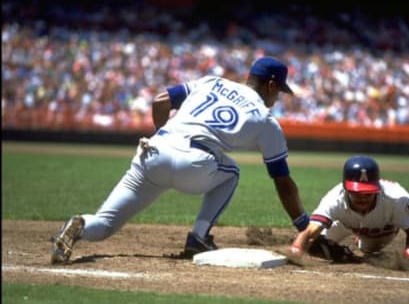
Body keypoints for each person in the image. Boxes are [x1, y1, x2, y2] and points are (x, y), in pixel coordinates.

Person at [51, 56, 310, 264]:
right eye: (279, 92)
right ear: (271, 85)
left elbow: (161, 100)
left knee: (105, 224)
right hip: (194, 163)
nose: (277, 100)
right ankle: (198, 236)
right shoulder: (266, 121)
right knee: (231, 172)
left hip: (152, 153)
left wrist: (161, 137)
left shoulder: (211, 82)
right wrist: (303, 226)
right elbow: (282, 181)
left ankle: (81, 224)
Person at [288, 155, 409, 264]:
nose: (362, 198)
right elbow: (310, 231)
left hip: (381, 230)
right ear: (345, 187)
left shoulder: (396, 198)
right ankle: (346, 245)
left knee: (369, 251)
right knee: (317, 245)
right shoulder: (335, 198)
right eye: (356, 193)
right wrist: (296, 249)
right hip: (344, 223)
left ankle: (360, 242)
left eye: (368, 193)